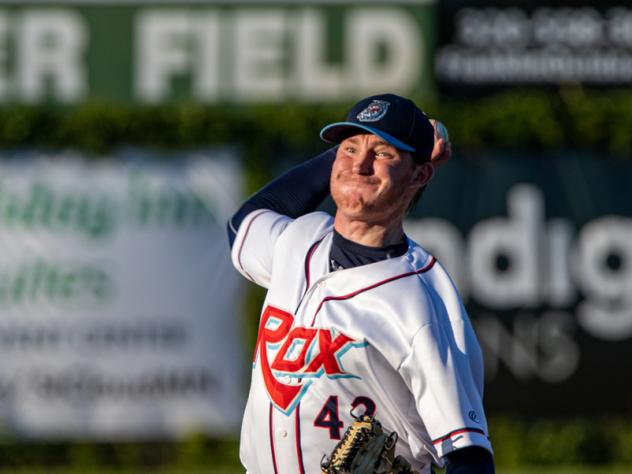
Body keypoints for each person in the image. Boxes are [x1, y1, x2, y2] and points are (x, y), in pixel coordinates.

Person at [227, 94, 494, 474]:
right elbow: (243, 225)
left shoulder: (420, 302)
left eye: (383, 153)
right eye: (349, 148)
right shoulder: (298, 239)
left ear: (420, 174)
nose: (360, 165)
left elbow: (470, 456)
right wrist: (355, 153)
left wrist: (362, 151)